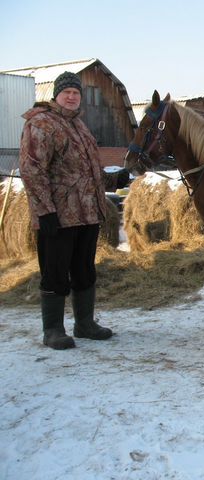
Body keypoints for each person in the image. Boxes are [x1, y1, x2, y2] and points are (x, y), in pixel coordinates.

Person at [19, 71, 113, 350]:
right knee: (55, 271)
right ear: (56, 95)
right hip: (58, 216)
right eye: (67, 93)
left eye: (76, 93)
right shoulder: (42, 123)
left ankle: (84, 324)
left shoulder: (79, 126)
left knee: (84, 270)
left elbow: (89, 170)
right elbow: (32, 170)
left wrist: (112, 179)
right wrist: (44, 211)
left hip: (87, 214)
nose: (72, 97)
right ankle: (53, 330)